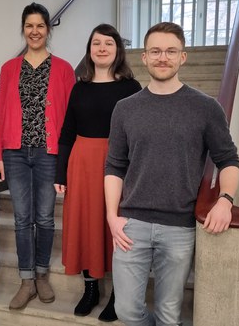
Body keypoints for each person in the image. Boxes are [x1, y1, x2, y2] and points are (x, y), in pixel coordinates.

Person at [104, 21, 239, 326]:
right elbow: (114, 166)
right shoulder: (125, 109)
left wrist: (225, 200)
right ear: (144, 57)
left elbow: (229, 160)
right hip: (131, 225)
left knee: (168, 315)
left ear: (183, 57)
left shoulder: (206, 107)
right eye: (155, 50)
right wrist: (112, 216)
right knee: (126, 311)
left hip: (179, 228)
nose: (162, 57)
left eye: (170, 51)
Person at [54, 23, 141, 322]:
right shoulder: (80, 86)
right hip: (81, 163)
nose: (102, 48)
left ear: (118, 49)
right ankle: (90, 289)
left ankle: (118, 294)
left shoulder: (131, 87)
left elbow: (139, 134)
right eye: (96, 44)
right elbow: (67, 132)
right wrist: (60, 172)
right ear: (89, 50)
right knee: (86, 223)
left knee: (116, 226)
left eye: (108, 43)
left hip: (118, 163)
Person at [0, 2, 75, 310]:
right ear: (23, 29)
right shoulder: (9, 68)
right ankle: (26, 280)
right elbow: (1, 115)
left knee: (44, 217)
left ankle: (42, 274)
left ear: (48, 29)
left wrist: (65, 162)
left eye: (40, 25)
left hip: (47, 154)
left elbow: (68, 119)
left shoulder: (64, 69)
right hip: (14, 153)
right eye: (29, 26)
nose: (35, 31)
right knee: (22, 218)